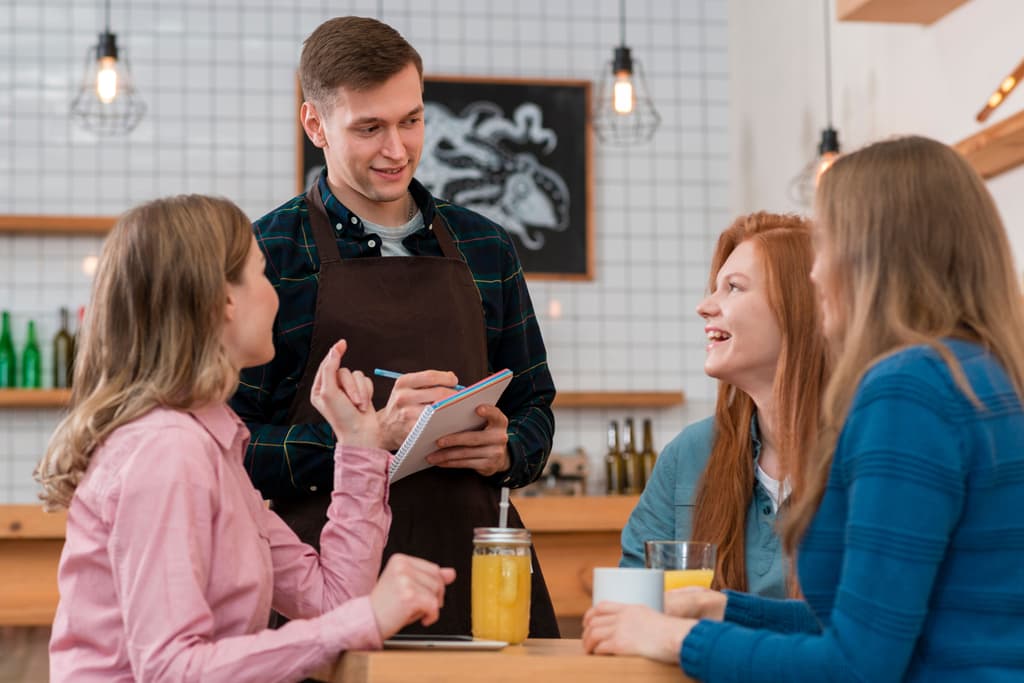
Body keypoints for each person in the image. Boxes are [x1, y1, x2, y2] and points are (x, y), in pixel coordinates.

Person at [584, 136, 1024, 681]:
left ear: (877, 256)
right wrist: (724, 609)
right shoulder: (982, 377)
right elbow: (878, 629)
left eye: (833, 243)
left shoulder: (908, 389)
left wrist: (682, 638)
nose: (817, 275)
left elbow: (855, 667)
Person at [229, 17, 559, 637]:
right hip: (329, 591)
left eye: (411, 120)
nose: (397, 149)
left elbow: (535, 405)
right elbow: (230, 447)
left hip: (480, 576)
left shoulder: (486, 247)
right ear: (314, 125)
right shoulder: (266, 255)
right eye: (369, 128)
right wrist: (365, 441)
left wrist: (509, 448)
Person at [36, 195, 455, 682]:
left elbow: (333, 603)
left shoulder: (211, 446)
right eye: (261, 274)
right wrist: (366, 619)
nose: (274, 293)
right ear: (224, 299)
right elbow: (172, 669)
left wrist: (359, 445)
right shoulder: (167, 451)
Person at [620, 212, 828, 598]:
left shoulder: (869, 453)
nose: (705, 306)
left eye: (733, 287)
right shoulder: (688, 455)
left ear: (799, 307)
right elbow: (634, 601)